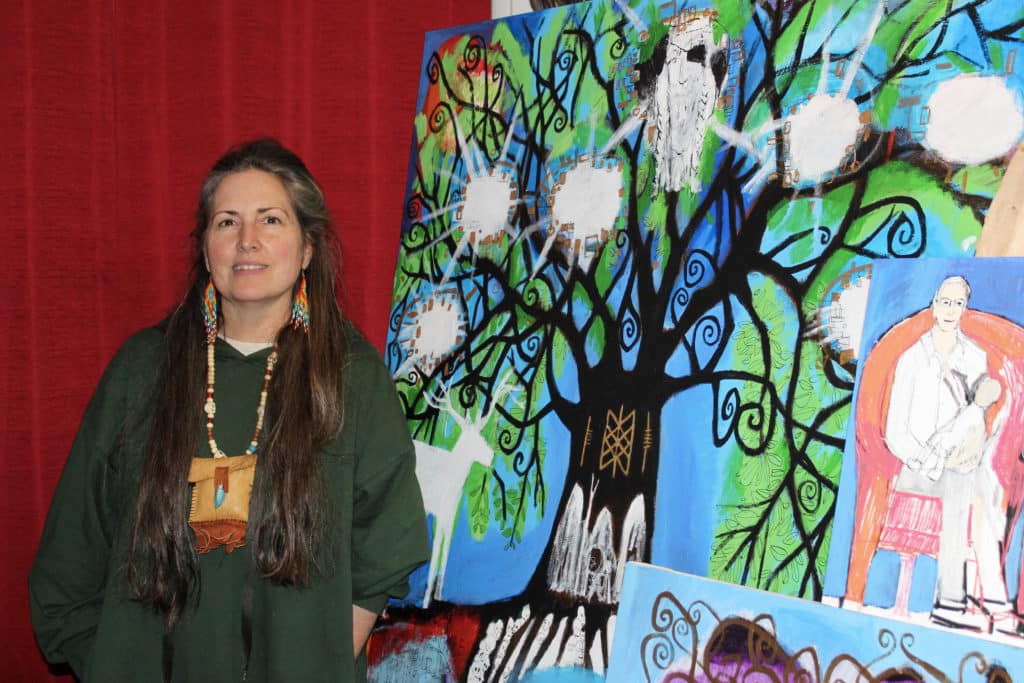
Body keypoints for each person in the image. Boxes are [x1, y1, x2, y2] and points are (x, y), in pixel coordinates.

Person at [29, 139, 430, 682]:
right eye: (226, 222)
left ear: (307, 247)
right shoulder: (140, 370)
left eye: (270, 220)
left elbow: (386, 552)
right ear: (205, 248)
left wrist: (315, 663)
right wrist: (114, 662)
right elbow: (70, 558)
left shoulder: (352, 379)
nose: (248, 241)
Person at [883, 275, 1009, 629]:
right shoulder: (911, 358)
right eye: (946, 301)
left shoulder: (975, 357)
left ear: (964, 309)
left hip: (960, 461)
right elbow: (895, 430)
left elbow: (976, 424)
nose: (951, 310)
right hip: (917, 464)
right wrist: (925, 459)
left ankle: (963, 603)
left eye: (958, 303)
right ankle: (959, 602)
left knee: (976, 480)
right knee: (969, 487)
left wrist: (959, 453)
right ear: (934, 304)